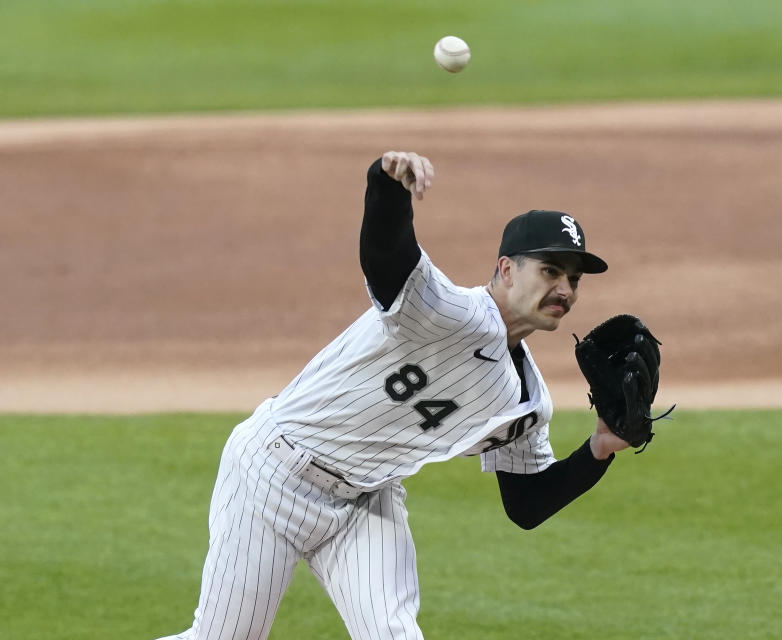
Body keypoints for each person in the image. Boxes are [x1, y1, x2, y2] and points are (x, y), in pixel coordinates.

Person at [157, 151, 633, 640]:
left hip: (366, 501)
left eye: (573, 279)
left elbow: (527, 503)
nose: (565, 289)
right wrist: (386, 183)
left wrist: (599, 449)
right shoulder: (444, 310)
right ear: (507, 270)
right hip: (273, 473)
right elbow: (387, 256)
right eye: (551, 271)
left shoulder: (525, 401)